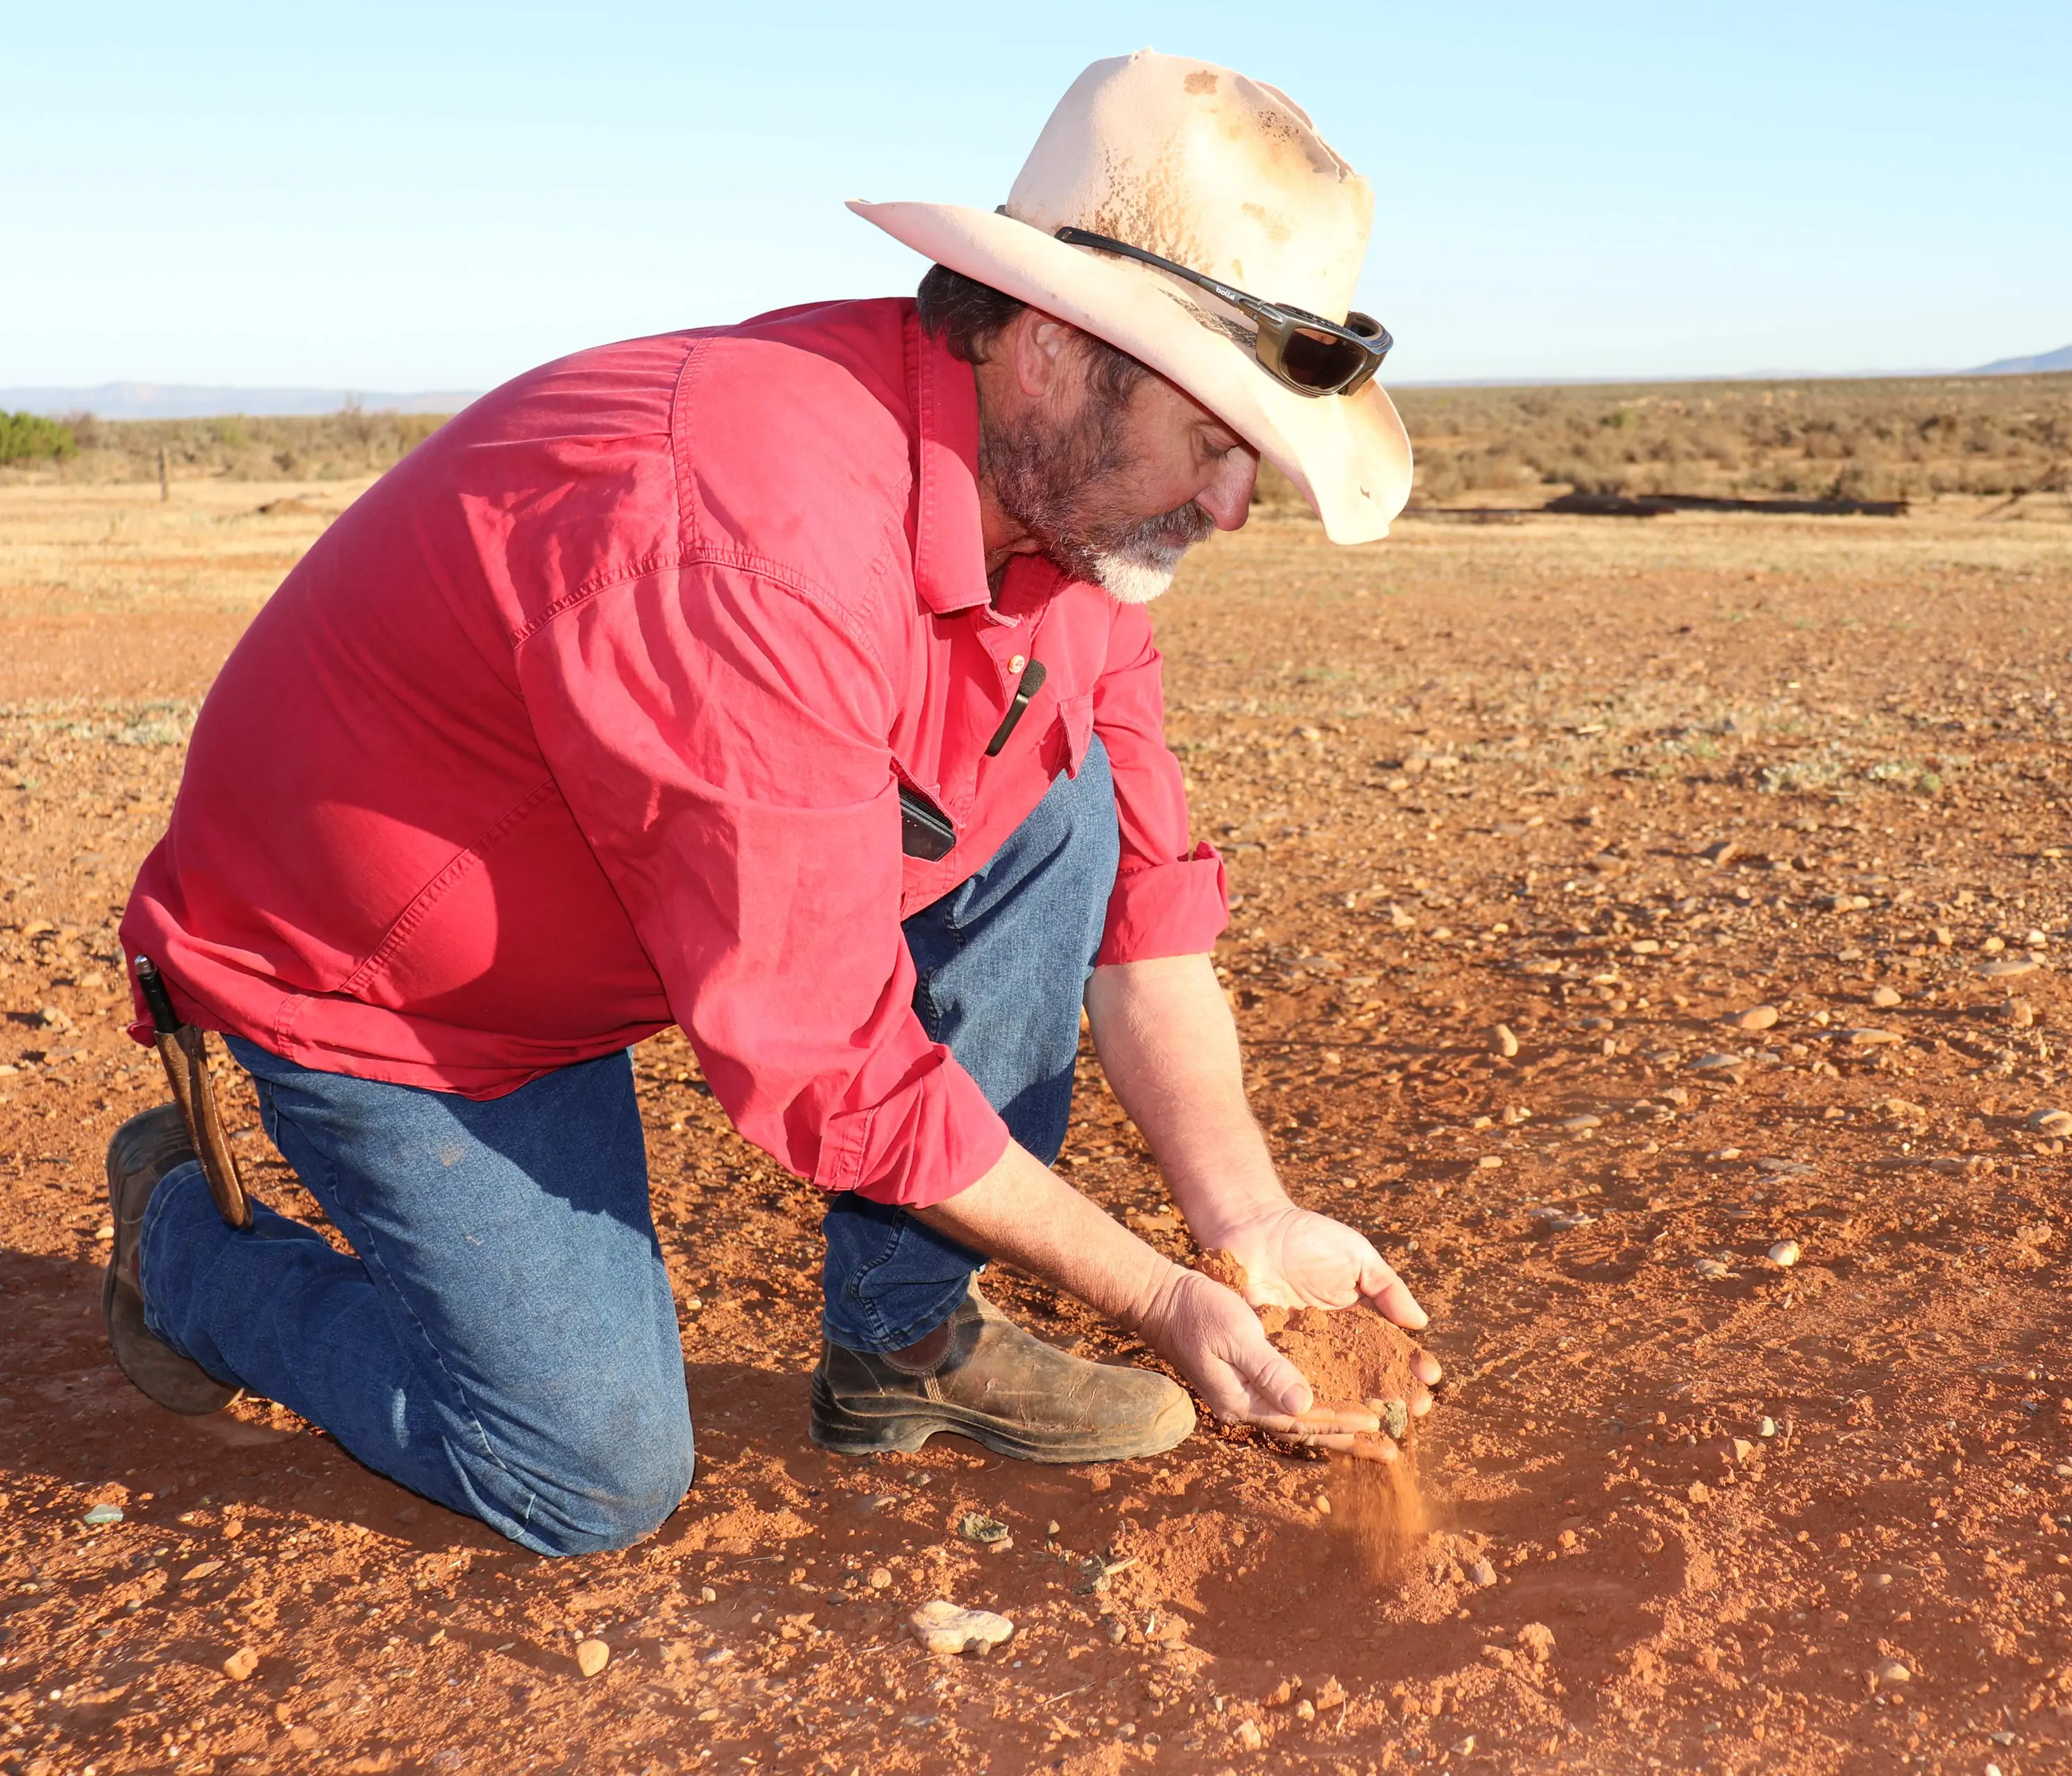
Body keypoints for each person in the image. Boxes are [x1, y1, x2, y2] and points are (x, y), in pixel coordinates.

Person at [100, 49, 1437, 1558]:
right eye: (1213, 440)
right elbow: (824, 1058)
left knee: (1063, 794)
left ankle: (905, 1340)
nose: (1232, 504)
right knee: (585, 1475)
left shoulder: (1061, 529)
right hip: (401, 992)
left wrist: (1246, 1224)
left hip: (627, 915)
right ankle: (182, 1257)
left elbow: (1141, 900)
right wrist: (1152, 1293)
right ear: (1057, 349)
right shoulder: (756, 542)